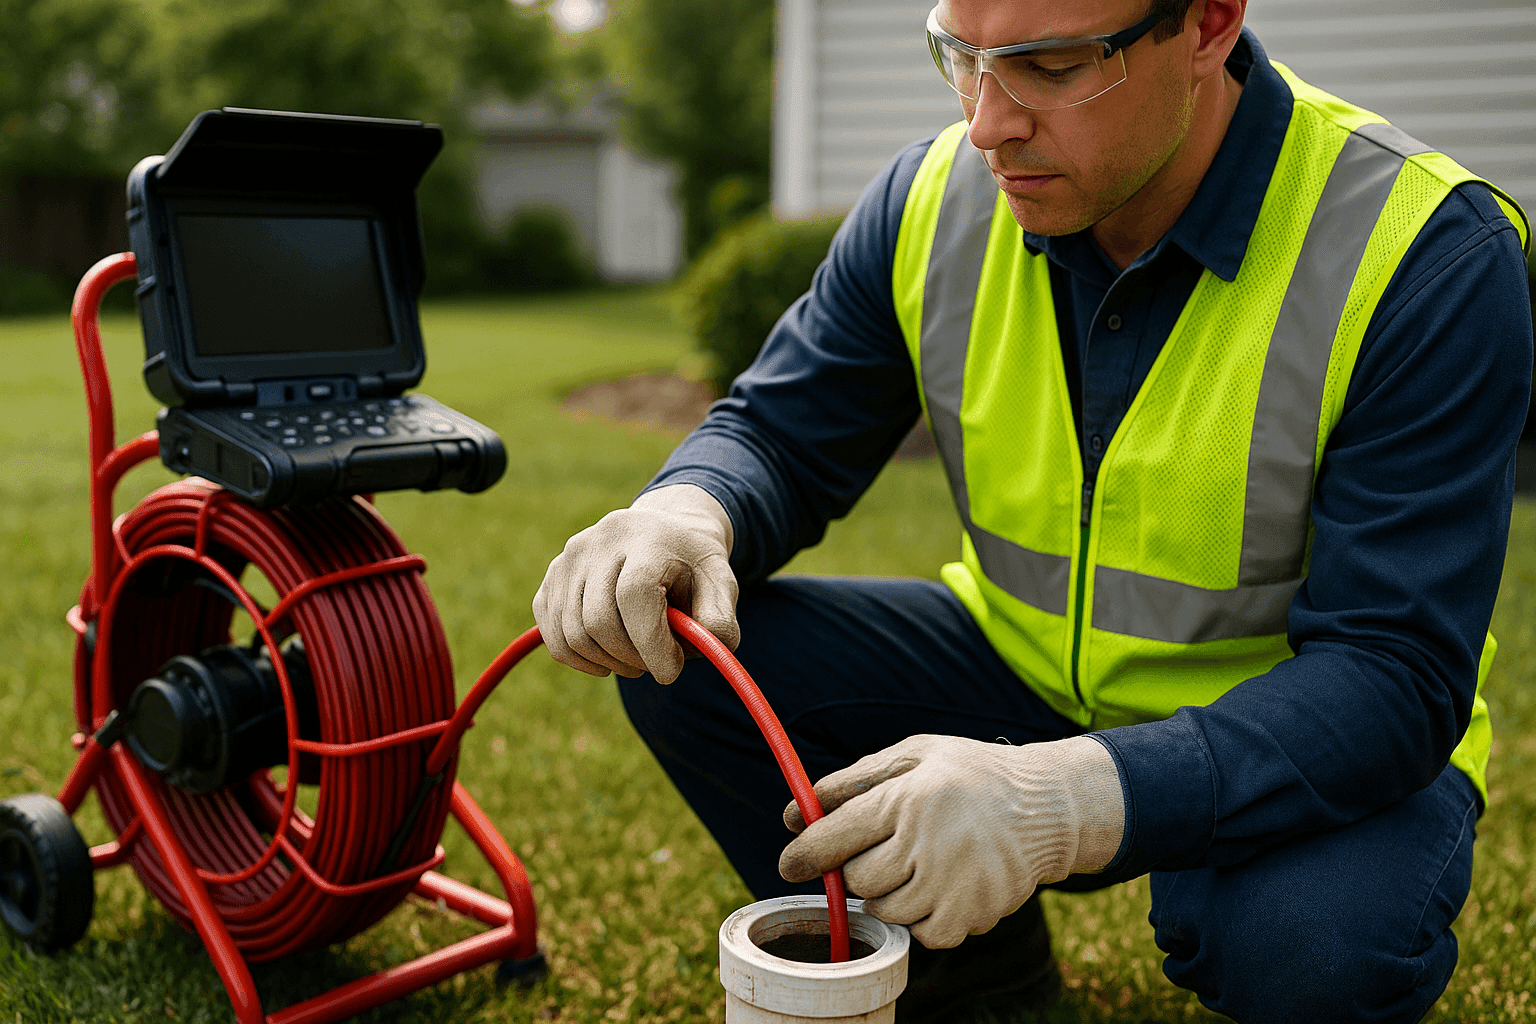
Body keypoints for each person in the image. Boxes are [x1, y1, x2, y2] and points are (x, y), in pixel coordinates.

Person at [534, 0, 1534, 1019]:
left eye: (1050, 66)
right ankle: (974, 978)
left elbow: (1395, 672)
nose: (986, 124)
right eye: (962, 58)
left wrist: (1064, 802)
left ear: (1208, 25)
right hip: (1014, 670)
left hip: (1292, 732)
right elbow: (782, 432)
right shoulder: (932, 200)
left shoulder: (1422, 252)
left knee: (1312, 947)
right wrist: (691, 508)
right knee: (697, 656)